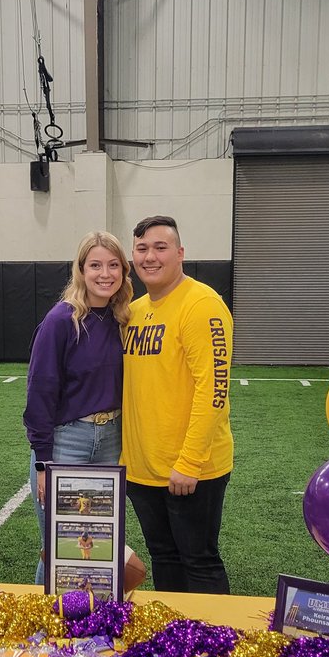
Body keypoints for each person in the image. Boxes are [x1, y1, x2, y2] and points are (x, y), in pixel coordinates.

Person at [121, 215, 233, 593]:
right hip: (142, 470)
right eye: (141, 249)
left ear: (180, 253)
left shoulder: (202, 304)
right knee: (162, 557)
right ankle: (173, 643)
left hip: (191, 470)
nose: (150, 256)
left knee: (199, 561)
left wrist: (189, 462)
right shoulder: (133, 312)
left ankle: (214, 646)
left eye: (160, 247)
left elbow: (214, 390)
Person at [24, 230, 132, 584]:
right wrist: (43, 462)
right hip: (66, 442)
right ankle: (41, 624)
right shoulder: (61, 320)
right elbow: (40, 392)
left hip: (111, 440)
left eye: (113, 265)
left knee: (95, 542)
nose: (105, 274)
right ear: (81, 270)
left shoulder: (124, 320)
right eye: (95, 265)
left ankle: (88, 616)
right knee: (57, 542)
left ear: (123, 270)